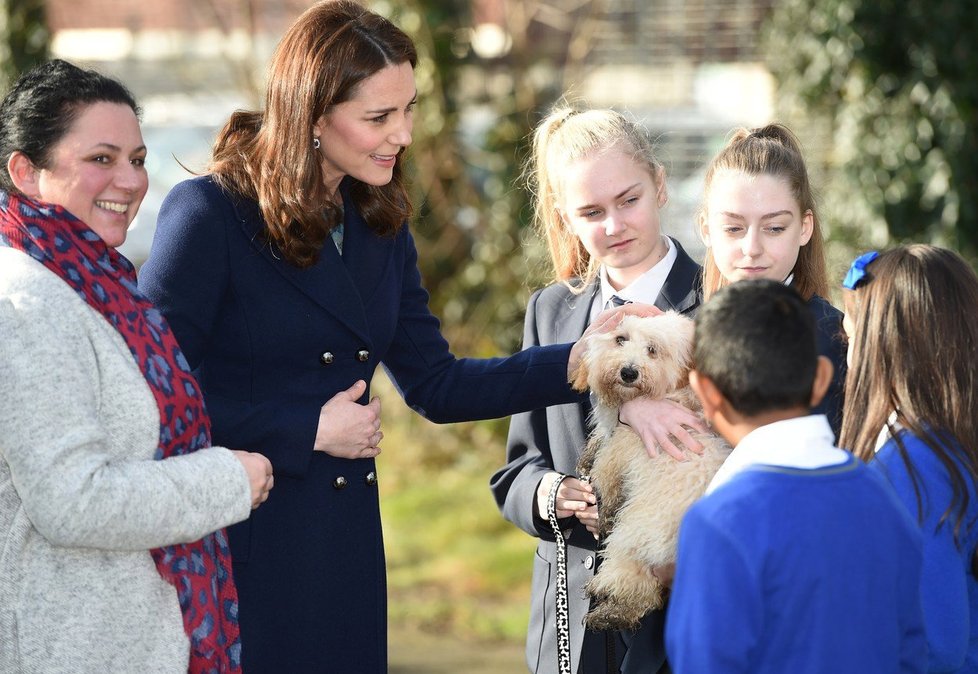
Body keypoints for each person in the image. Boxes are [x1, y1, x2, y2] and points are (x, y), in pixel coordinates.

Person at [137, 4, 642, 671]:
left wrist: (576, 359)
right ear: (311, 117)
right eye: (379, 117)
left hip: (341, 547)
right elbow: (148, 397)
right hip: (238, 543)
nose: (402, 134)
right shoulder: (208, 214)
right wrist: (305, 429)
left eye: (408, 110)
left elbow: (437, 383)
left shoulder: (379, 221)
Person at [0, 60, 274, 673]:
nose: (130, 180)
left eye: (139, 157)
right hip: (71, 649)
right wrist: (227, 480)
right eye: (101, 158)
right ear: (26, 171)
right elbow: (72, 501)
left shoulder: (101, 289)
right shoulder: (24, 304)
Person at [489, 105, 704, 674]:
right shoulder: (551, 312)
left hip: (681, 627)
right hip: (569, 624)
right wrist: (547, 494)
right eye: (591, 211)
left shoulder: (715, 305)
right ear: (565, 216)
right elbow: (518, 466)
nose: (613, 226)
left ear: (659, 185)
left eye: (628, 200)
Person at [666, 279, 925, 673]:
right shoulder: (882, 492)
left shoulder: (718, 523)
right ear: (821, 378)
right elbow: (912, 646)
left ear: (705, 392)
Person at [840, 245, 978, 673]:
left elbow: (934, 645)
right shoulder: (944, 446)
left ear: (881, 345)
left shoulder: (912, 468)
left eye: (851, 334)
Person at [694, 124, 846, 437]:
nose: (752, 248)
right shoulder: (686, 326)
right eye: (734, 229)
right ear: (706, 229)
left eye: (774, 228)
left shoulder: (829, 336)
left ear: (805, 228)